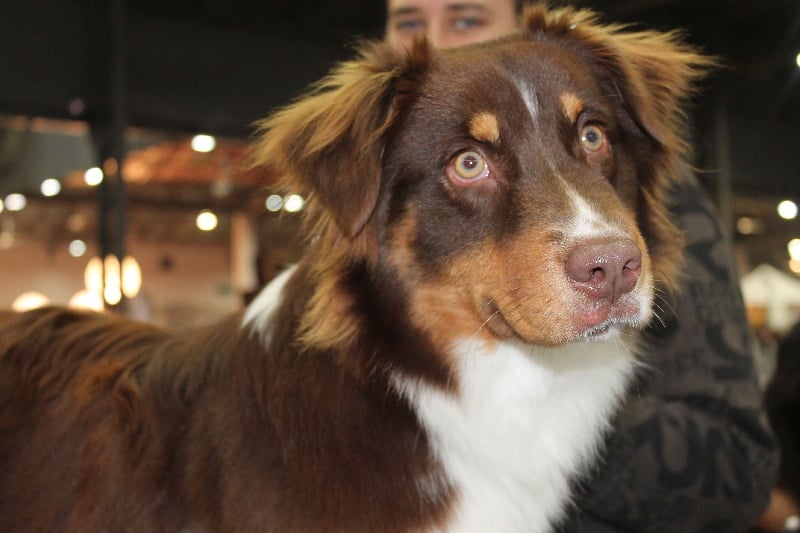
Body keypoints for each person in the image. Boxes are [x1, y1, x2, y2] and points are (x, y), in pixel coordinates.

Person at [383, 1, 779, 531]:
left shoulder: (648, 197)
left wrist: (538, 428)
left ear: (521, 25)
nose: (431, 42)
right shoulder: (377, 199)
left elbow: (740, 470)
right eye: (409, 23)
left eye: (467, 20)